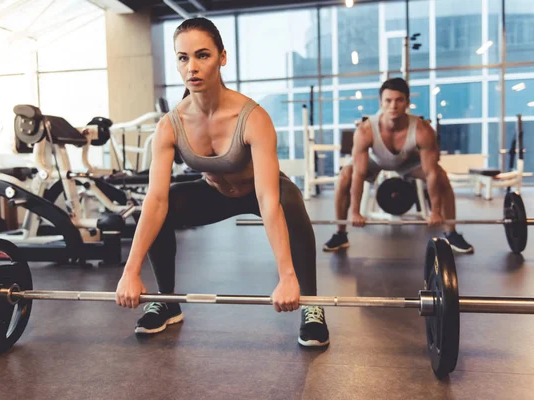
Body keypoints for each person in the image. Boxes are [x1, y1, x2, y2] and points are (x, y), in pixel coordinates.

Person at [115, 17, 329, 347]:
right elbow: (155, 201)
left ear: (222, 58)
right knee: (167, 201)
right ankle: (166, 301)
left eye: (203, 55)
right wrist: (131, 270)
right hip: (215, 193)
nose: (192, 67)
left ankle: (312, 307)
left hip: (261, 190)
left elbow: (268, 199)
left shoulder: (252, 117)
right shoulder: (169, 126)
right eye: (183, 58)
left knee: (289, 200)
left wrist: (286, 276)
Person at [323, 78, 474, 254]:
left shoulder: (422, 130)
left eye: (399, 100)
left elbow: (431, 173)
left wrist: (435, 212)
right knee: (345, 176)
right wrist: (355, 212)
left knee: (441, 176)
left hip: (408, 161)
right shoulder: (365, 130)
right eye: (388, 100)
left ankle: (451, 232)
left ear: (407, 103)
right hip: (376, 160)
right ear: (381, 103)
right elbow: (359, 173)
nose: (393, 106)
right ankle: (340, 234)